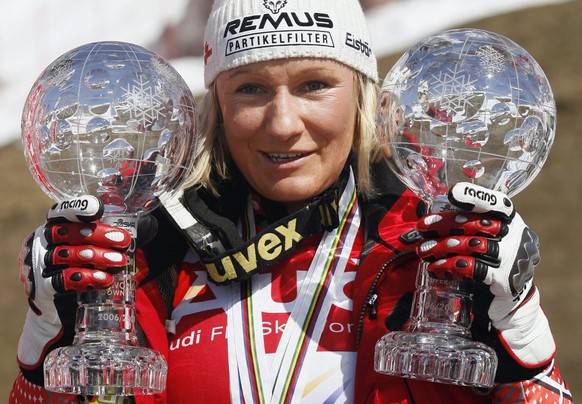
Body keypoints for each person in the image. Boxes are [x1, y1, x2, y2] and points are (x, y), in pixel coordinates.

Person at [10, 0, 573, 403]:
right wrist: (45, 348)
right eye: (251, 88)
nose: (282, 125)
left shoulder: (442, 253)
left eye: (314, 85)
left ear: (363, 97)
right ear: (217, 108)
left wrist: (523, 339)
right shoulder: (146, 261)